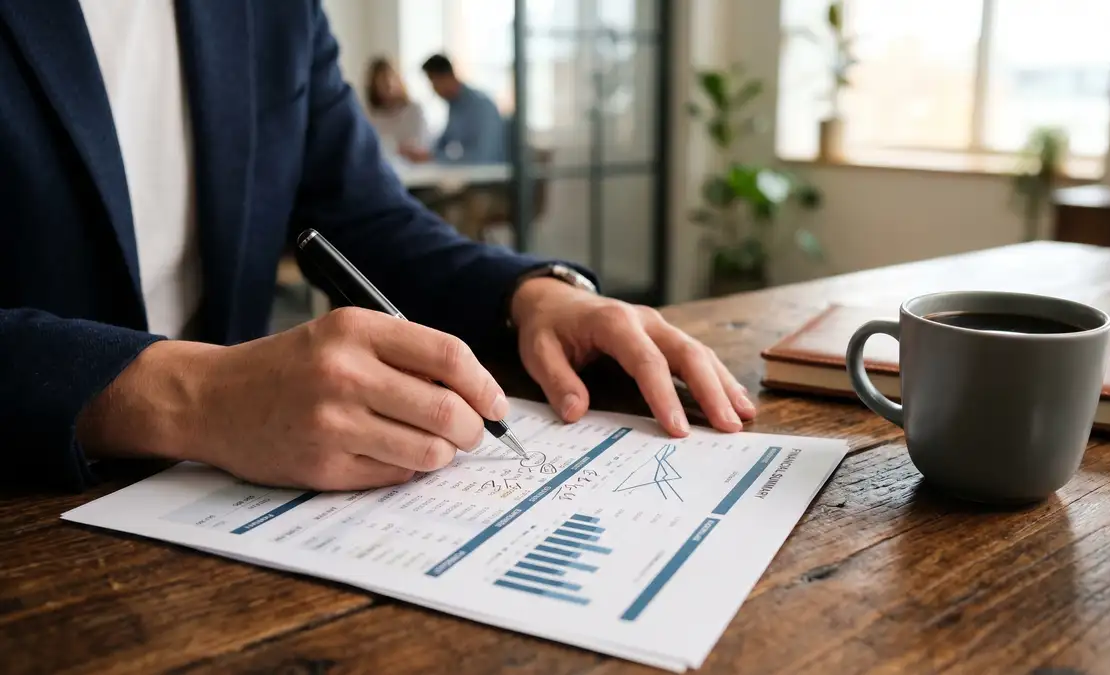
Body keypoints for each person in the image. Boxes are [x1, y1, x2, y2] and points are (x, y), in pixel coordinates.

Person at [0, 1, 755, 492]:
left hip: (221, 508)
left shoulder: (275, 15)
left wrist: (536, 292)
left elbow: (368, 218)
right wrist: (196, 393)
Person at [400, 53, 506, 165]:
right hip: (473, 174)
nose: (434, 90)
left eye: (433, 82)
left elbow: (482, 157)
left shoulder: (481, 106)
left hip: (491, 175)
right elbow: (444, 141)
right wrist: (425, 154)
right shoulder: (454, 105)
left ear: (447, 77)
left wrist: (436, 158)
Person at [363, 56, 430, 156]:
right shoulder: (370, 115)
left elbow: (420, 145)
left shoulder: (414, 110)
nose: (388, 85)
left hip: (413, 168)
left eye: (389, 78)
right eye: (381, 81)